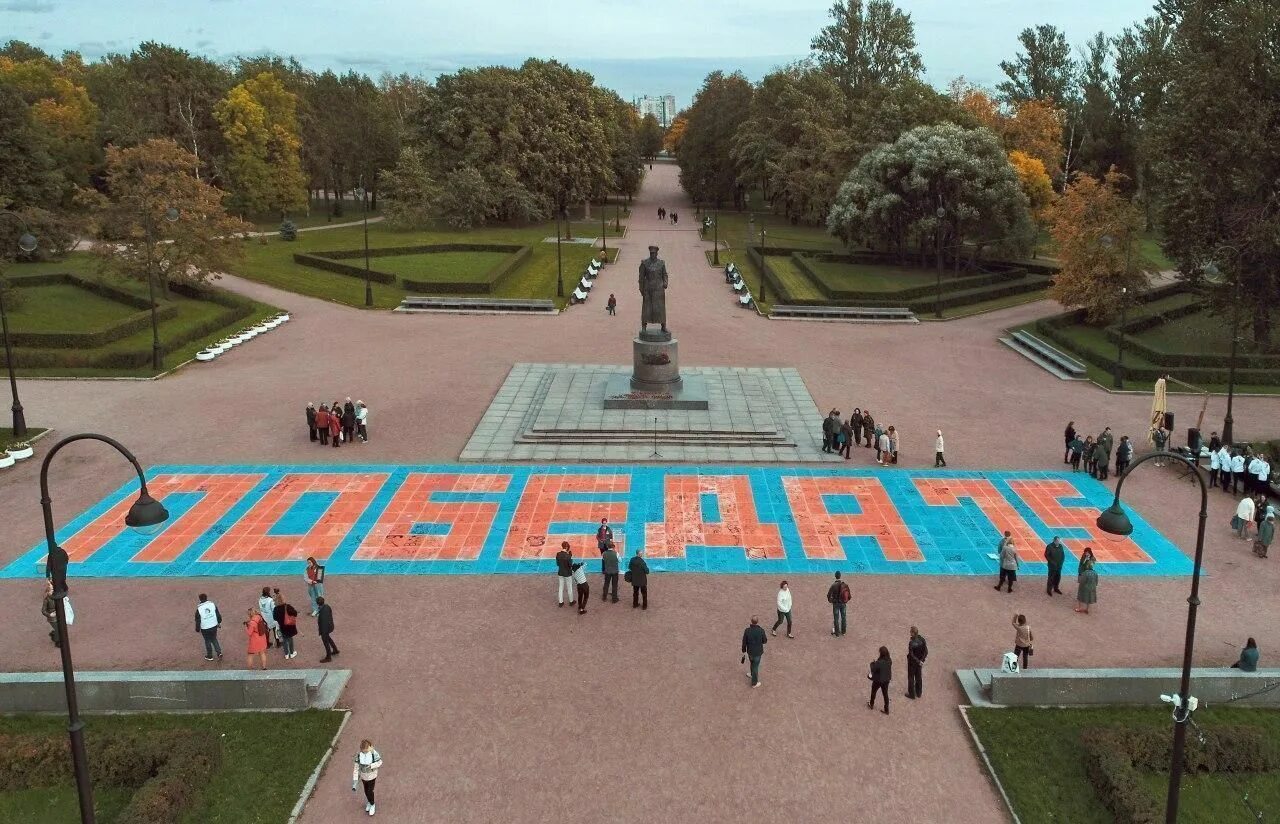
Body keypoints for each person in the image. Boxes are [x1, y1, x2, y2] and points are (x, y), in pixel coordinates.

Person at [352, 738, 383, 816]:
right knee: (366, 791)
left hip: (372, 776)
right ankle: (369, 801)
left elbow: (380, 762)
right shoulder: (359, 755)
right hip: (363, 777)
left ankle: (372, 804)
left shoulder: (374, 753)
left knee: (370, 791)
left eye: (366, 750)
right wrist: (355, 780)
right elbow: (356, 768)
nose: (365, 752)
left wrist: (372, 765)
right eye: (364, 751)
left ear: (369, 747)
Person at [741, 615, 768, 688]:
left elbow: (744, 642)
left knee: (752, 663)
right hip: (758, 652)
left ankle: (752, 674)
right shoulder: (761, 630)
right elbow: (765, 641)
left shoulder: (747, 630)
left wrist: (743, 650)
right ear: (757, 622)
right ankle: (754, 683)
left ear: (751, 621)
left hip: (750, 651)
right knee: (756, 666)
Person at [195, 593, 222, 661]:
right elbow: (218, 614)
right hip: (214, 625)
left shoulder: (199, 609)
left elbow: (197, 620)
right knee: (214, 639)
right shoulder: (212, 604)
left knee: (207, 641)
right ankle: (219, 653)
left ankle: (210, 656)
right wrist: (219, 622)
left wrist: (197, 629)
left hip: (205, 628)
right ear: (206, 598)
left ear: (200, 599)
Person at [273, 590, 299, 659]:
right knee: (290, 639)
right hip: (290, 626)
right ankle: (292, 652)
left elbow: (275, 618)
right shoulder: (288, 607)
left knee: (284, 640)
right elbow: (295, 613)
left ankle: (286, 654)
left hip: (282, 626)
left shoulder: (275, 609)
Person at [867, 646, 892, 714]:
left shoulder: (879, 662)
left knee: (873, 692)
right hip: (886, 680)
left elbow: (873, 669)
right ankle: (886, 709)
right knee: (885, 694)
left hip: (878, 680)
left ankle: (871, 704)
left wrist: (873, 663)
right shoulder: (889, 660)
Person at [905, 626, 928, 699]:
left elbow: (911, 655)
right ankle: (919, 693)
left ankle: (911, 694)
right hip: (919, 662)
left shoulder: (911, 643)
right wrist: (921, 661)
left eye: (910, 632)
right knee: (918, 677)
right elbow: (926, 651)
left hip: (912, 663)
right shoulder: (922, 639)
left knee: (911, 678)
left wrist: (918, 661)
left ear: (913, 633)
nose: (910, 633)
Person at [827, 571, 850, 636]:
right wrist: (845, 600)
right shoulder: (845, 585)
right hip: (843, 603)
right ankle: (843, 632)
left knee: (836, 618)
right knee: (844, 617)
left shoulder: (833, 585)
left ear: (835, 576)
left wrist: (831, 601)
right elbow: (849, 596)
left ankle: (837, 633)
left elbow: (828, 595)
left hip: (836, 603)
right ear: (840, 576)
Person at [317, 596, 339, 662]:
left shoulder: (322, 614)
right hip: (330, 626)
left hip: (325, 630)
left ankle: (328, 657)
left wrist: (322, 633)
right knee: (328, 638)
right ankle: (335, 650)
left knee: (326, 642)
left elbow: (323, 624)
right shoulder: (327, 606)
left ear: (317, 604)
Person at [555, 541, 575, 607]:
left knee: (561, 587)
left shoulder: (558, 554)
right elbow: (570, 565)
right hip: (567, 573)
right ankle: (571, 601)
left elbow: (557, 564)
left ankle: (561, 602)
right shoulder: (568, 556)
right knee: (569, 587)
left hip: (560, 572)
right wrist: (570, 557)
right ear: (566, 547)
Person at [41, 580, 59, 648]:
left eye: (53, 589)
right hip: (52, 618)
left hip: (58, 615)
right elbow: (43, 610)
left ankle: (54, 634)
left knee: (59, 628)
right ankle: (57, 641)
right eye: (51, 590)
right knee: (58, 629)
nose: (53, 591)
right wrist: (50, 614)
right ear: (48, 591)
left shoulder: (56, 597)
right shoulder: (47, 600)